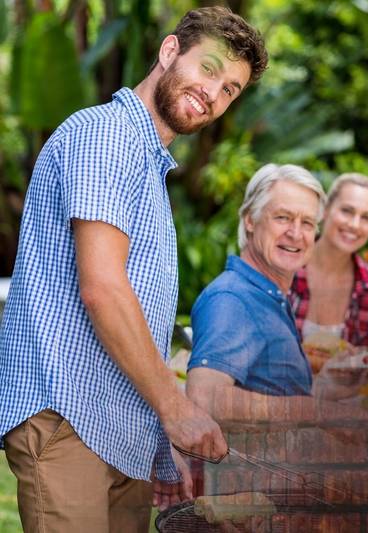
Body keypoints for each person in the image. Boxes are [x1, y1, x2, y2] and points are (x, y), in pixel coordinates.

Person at [0, 7, 266, 531]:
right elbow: (101, 288)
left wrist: (156, 434)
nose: (214, 93)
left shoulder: (146, 163)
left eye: (231, 89)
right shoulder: (107, 136)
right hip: (67, 416)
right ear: (169, 52)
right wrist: (176, 406)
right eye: (208, 69)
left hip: (123, 429)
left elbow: (136, 309)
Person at [186, 164, 368, 405]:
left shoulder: (267, 295)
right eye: (283, 217)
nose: (295, 233)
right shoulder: (234, 299)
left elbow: (273, 389)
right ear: (250, 219)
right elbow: (204, 397)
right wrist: (307, 410)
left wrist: (336, 390)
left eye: (307, 223)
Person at [286, 173, 368, 370]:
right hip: (277, 396)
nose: (354, 224)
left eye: (366, 217)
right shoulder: (286, 268)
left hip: (345, 400)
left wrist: (364, 361)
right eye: (347, 211)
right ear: (324, 210)